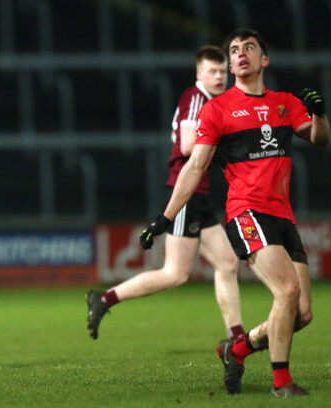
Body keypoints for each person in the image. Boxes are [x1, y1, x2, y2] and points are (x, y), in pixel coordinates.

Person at [139, 28, 330, 397]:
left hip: (282, 215)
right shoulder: (217, 109)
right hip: (246, 212)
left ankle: (236, 349)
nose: (240, 54)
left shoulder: (285, 103)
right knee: (287, 291)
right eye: (234, 50)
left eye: (249, 48)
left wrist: (319, 115)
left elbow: (320, 138)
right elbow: (194, 167)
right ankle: (281, 384)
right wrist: (164, 218)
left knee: (302, 314)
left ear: (264, 60)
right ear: (231, 63)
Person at [86, 46, 245, 343]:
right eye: (212, 71)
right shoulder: (197, 98)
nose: (219, 76)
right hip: (185, 194)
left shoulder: (209, 101)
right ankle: (104, 298)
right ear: (199, 74)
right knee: (175, 274)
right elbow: (187, 146)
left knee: (227, 262)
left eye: (223, 71)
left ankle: (236, 337)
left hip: (199, 195)